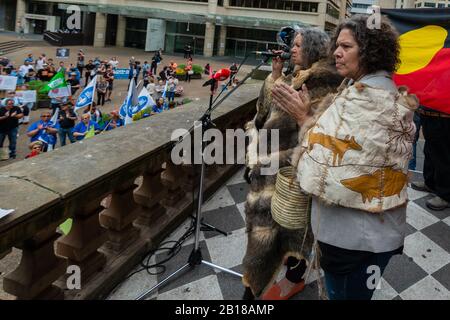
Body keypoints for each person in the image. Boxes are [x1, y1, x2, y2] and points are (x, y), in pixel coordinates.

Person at [271, 15, 418, 300]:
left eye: (346, 46)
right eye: (337, 45)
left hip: (353, 241)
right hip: (372, 235)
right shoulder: (373, 91)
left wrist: (303, 118)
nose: (336, 52)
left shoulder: (366, 100)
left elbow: (320, 174)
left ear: (370, 50)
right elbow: (348, 148)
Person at [241, 27, 343, 300]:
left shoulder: (324, 82)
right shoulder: (290, 76)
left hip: (287, 171)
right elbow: (264, 113)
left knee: (277, 235)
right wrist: (274, 75)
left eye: (299, 45)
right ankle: (292, 276)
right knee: (283, 231)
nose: (292, 49)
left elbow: (320, 135)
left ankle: (256, 293)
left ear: (314, 47)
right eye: (293, 45)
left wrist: (271, 158)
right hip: (268, 169)